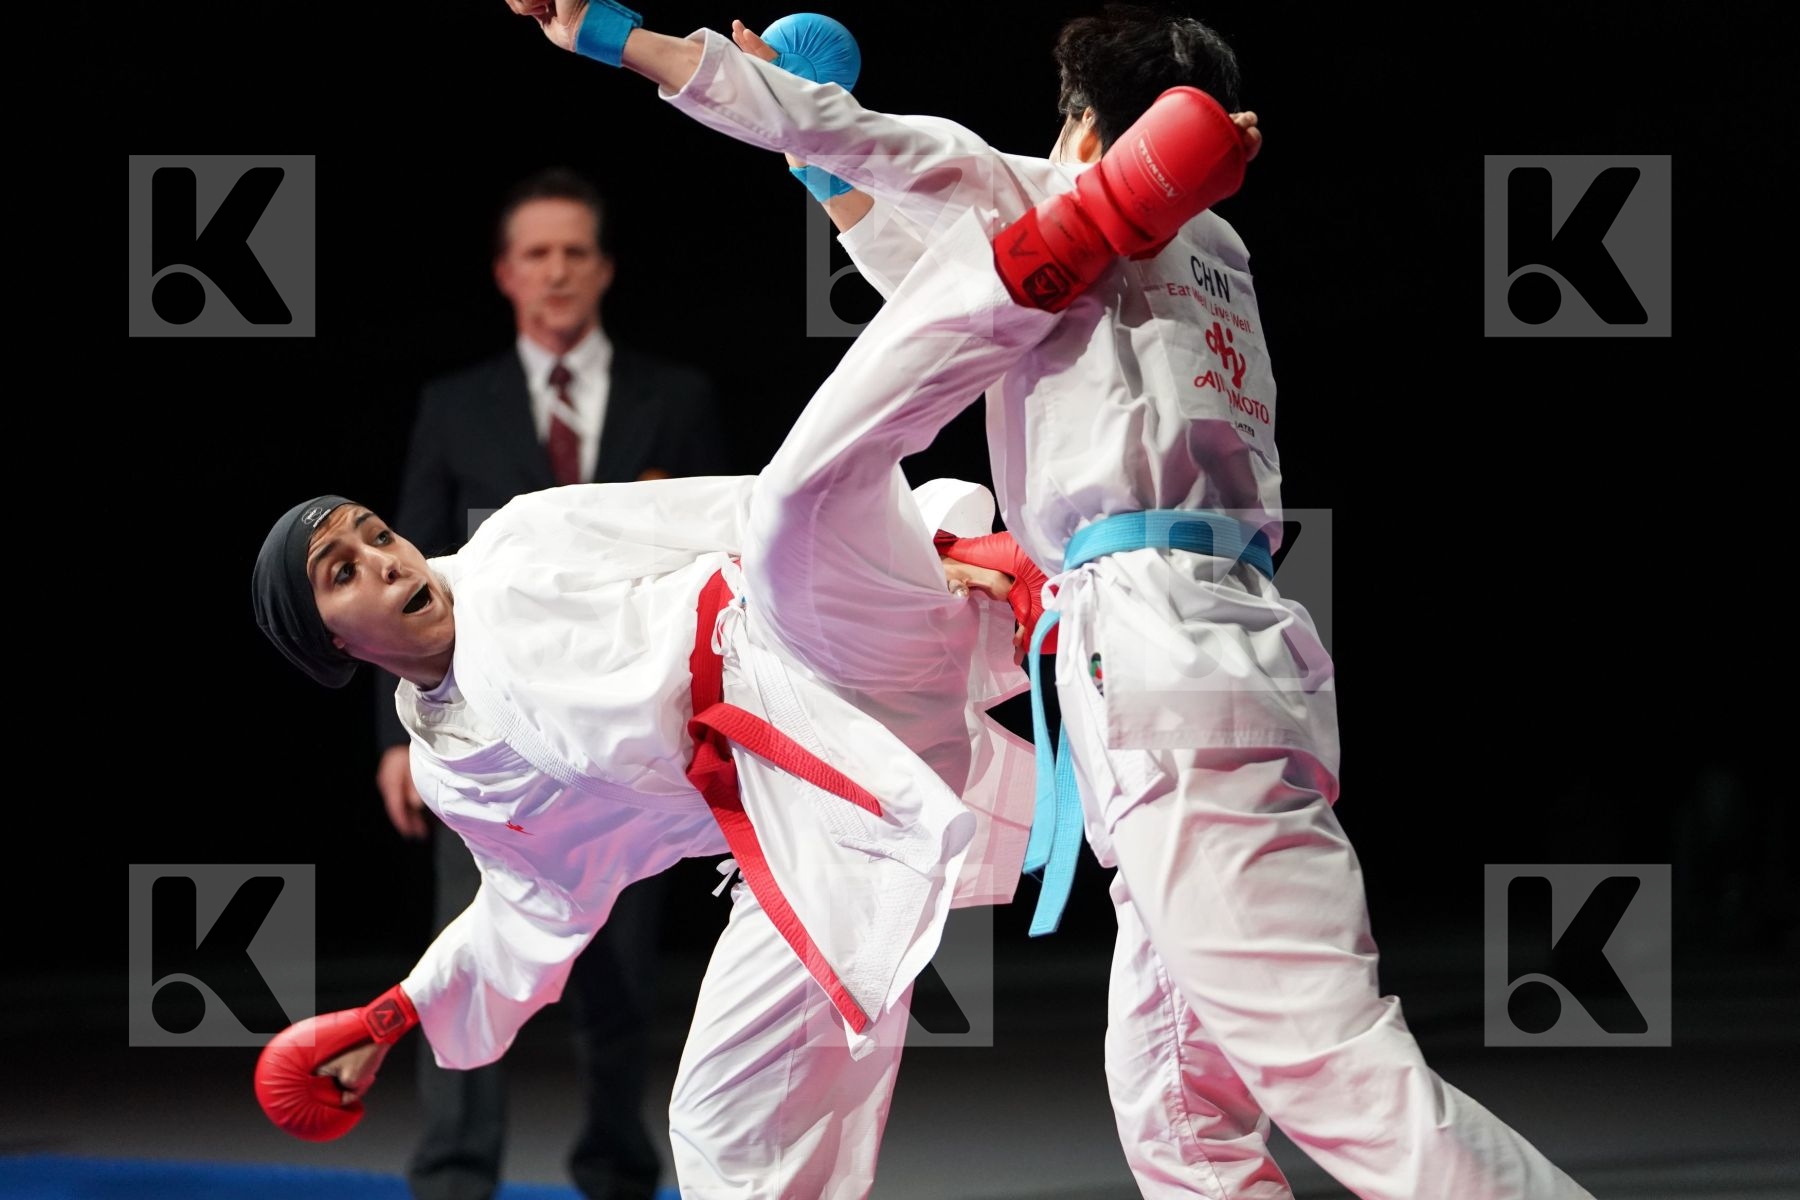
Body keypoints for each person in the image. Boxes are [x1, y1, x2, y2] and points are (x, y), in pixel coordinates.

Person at [508, 4, 1598, 1197]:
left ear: (1085, 122)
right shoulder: (1216, 251)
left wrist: (618, 37)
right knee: (1178, 1099)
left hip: (1162, 655)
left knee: (1327, 1066)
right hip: (1224, 648)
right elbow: (959, 297)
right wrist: (826, 173)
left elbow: (867, 149)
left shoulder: (1055, 195)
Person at [251, 114, 1251, 1198]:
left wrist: (943, 544)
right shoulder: (461, 773)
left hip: (801, 631)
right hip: (796, 819)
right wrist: (392, 1015)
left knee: (793, 493)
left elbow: (711, 511)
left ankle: (1075, 224)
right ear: (335, 648)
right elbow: (533, 907)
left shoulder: (516, 543)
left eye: (371, 534)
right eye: (342, 573)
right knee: (724, 1126)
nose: (381, 556)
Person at [372, 166, 726, 1200]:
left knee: (618, 975)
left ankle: (618, 1171)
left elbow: (720, 558)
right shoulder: (452, 408)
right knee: (469, 954)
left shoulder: (680, 398)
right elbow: (396, 574)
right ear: (505, 273)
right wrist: (394, 741)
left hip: (631, 736)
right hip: (481, 737)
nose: (558, 270)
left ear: (604, 268)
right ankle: (452, 1171)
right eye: (538, 252)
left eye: (575, 250)